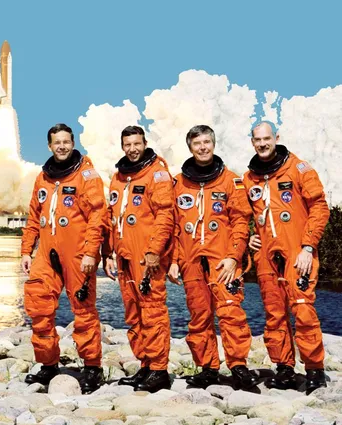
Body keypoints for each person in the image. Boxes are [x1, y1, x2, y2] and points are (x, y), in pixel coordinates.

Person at [167, 125, 257, 390]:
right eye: (197, 143)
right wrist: (174, 260)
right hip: (191, 260)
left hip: (223, 260)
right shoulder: (178, 183)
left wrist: (234, 257)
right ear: (190, 148)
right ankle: (208, 368)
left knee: (231, 313)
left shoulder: (231, 180)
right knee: (199, 315)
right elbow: (173, 226)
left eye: (207, 142)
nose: (203, 147)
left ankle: (238, 367)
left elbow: (241, 222)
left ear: (214, 144)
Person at [21, 123, 106, 394]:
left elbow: (97, 216)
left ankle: (92, 367)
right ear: (49, 146)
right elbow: (33, 216)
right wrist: (26, 250)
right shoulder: (43, 177)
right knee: (39, 306)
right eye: (57, 142)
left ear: (73, 143)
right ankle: (48, 364)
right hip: (46, 252)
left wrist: (91, 252)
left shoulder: (86, 175)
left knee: (83, 310)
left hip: (78, 253)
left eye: (66, 142)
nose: (61, 146)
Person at [244, 121, 329, 394]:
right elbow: (240, 216)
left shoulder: (299, 169)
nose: (262, 144)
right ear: (252, 142)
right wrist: (249, 237)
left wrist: (308, 246)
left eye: (266, 138)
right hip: (266, 254)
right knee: (274, 313)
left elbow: (320, 207)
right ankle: (284, 368)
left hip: (297, 251)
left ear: (276, 137)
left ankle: (314, 369)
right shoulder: (249, 178)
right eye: (257, 140)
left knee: (303, 310)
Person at [102, 126, 174, 392]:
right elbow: (112, 218)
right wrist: (108, 252)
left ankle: (159, 370)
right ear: (122, 146)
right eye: (128, 145)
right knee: (134, 313)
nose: (132, 149)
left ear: (145, 143)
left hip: (146, 257)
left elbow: (165, 217)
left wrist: (154, 251)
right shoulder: (119, 177)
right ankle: (145, 365)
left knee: (152, 311)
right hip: (124, 256)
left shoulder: (157, 174)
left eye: (136, 144)